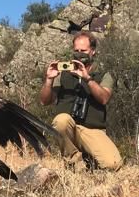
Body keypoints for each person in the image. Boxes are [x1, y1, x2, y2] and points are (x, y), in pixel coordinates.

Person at [39, 31, 123, 171]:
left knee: (113, 163)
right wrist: (49, 80)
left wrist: (87, 78)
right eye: (76, 51)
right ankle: (75, 163)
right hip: (69, 126)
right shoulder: (63, 74)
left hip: (92, 129)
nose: (79, 54)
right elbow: (44, 101)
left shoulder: (103, 75)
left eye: (83, 51)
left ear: (93, 51)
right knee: (61, 120)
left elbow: (104, 98)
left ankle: (88, 158)